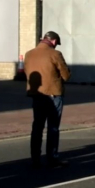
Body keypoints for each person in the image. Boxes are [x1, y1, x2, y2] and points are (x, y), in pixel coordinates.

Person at [24, 31, 70, 168]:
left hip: (36, 94)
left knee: (37, 126)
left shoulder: (29, 54)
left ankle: (35, 158)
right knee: (53, 127)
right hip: (53, 94)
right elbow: (66, 75)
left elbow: (27, 72)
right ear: (54, 41)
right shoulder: (55, 54)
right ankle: (52, 157)